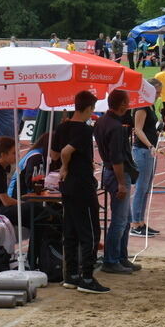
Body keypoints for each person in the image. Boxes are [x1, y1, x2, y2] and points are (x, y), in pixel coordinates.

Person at [51, 90, 109, 293]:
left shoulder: (62, 126)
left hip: (67, 186)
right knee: (91, 232)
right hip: (81, 185)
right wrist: (67, 166)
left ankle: (71, 275)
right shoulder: (84, 130)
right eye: (92, 109)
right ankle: (86, 278)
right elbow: (66, 152)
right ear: (88, 108)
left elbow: (54, 153)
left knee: (71, 230)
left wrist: (65, 164)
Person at [93, 89, 140, 275]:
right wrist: (121, 183)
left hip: (110, 171)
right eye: (127, 101)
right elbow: (117, 158)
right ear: (122, 104)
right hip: (117, 174)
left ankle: (120, 256)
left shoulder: (102, 122)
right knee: (120, 220)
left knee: (125, 219)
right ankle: (111, 260)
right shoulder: (114, 127)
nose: (129, 104)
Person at [0, 136, 33, 230]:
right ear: (3, 155)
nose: (18, 155)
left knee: (34, 211)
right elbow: (6, 201)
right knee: (31, 209)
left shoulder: (3, 168)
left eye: (18, 152)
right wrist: (23, 203)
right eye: (14, 153)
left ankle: (38, 240)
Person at [130, 79, 162, 238]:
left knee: (146, 188)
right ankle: (135, 223)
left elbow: (148, 128)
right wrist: (150, 145)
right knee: (140, 188)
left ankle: (141, 222)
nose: (160, 95)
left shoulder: (151, 105)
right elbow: (137, 129)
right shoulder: (142, 106)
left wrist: (157, 131)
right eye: (157, 92)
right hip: (142, 151)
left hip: (150, 151)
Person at [8, 133, 50, 198]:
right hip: (17, 197)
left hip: (20, 194)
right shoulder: (36, 157)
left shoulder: (36, 152)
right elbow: (31, 183)